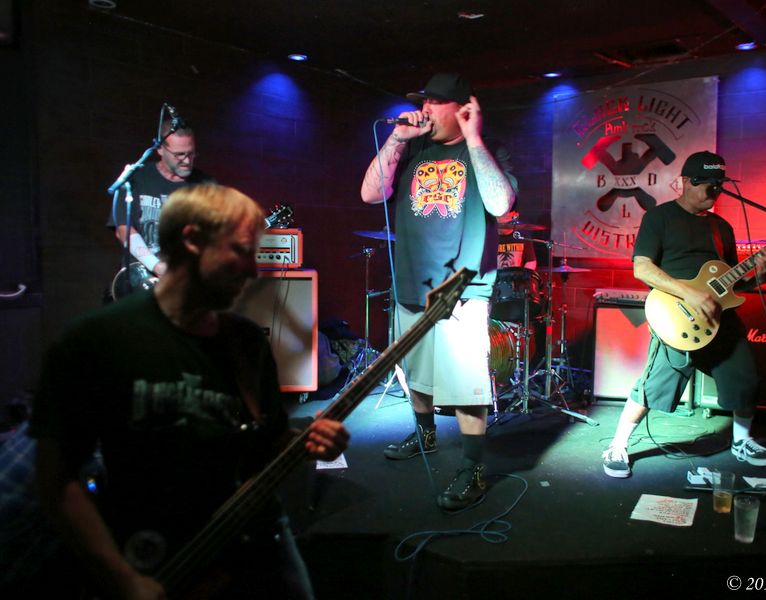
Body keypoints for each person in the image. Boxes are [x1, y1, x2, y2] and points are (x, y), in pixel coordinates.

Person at [32, 184, 350, 599]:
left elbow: (268, 442)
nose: (254, 271)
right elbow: (57, 480)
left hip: (251, 537)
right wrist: (122, 579)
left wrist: (306, 443)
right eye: (241, 251)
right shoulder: (94, 341)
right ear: (192, 240)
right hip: (152, 551)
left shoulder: (246, 343)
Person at [360, 73, 517, 511]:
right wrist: (396, 139)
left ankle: (472, 467)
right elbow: (371, 194)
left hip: (463, 289)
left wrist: (473, 137)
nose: (425, 109)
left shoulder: (488, 150)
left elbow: (500, 204)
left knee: (465, 385)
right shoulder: (411, 149)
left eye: (435, 102)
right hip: (412, 281)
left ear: (462, 108)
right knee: (415, 371)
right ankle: (425, 432)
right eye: (423, 101)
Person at [601, 151, 766, 478]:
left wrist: (758, 279)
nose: (712, 191)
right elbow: (642, 268)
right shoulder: (660, 218)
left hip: (718, 318)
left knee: (746, 378)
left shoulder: (722, 228)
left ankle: (741, 441)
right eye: (704, 183)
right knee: (654, 385)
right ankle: (618, 445)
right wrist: (688, 293)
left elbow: (731, 285)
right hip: (676, 316)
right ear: (684, 182)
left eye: (717, 185)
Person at [108, 116, 213, 284]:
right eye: (179, 155)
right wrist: (156, 266)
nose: (187, 161)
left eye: (191, 153)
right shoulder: (136, 178)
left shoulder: (207, 187)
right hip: (141, 280)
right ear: (160, 149)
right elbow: (123, 229)